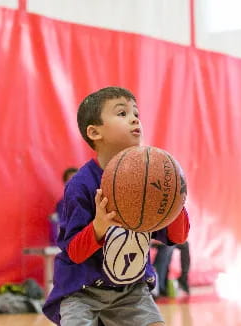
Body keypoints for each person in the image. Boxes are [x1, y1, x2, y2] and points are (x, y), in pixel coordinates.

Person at [42, 86, 190, 326]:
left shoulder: (150, 176)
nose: (134, 118)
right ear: (94, 132)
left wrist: (175, 199)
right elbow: (74, 253)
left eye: (136, 113)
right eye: (122, 113)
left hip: (130, 292)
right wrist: (98, 227)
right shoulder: (81, 185)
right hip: (81, 292)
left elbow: (178, 237)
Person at [49, 167, 78, 246]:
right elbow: (59, 227)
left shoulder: (90, 200)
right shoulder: (62, 204)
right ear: (65, 183)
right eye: (70, 180)